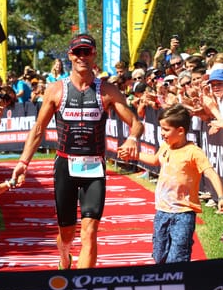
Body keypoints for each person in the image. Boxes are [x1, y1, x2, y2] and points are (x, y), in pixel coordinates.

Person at [11, 33, 143, 269]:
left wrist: (133, 138)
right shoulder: (55, 90)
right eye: (77, 52)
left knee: (90, 231)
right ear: (70, 55)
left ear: (94, 55)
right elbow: (39, 129)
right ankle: (64, 255)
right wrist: (23, 163)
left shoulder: (107, 91)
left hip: (94, 167)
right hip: (65, 167)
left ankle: (83, 285)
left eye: (87, 52)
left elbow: (136, 122)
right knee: (67, 234)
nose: (82, 57)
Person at [120, 103, 223, 263]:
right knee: (159, 256)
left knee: (177, 257)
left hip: (183, 213)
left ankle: (180, 284)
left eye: (166, 129)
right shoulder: (166, 146)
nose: (162, 133)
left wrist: (222, 197)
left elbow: (210, 173)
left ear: (180, 131)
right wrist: (134, 155)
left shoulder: (193, 152)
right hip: (162, 211)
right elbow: (155, 160)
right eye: (161, 129)